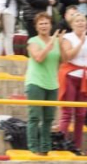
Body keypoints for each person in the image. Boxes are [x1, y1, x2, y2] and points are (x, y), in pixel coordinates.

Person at [58, 13, 87, 150]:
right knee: (67, 112)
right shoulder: (68, 37)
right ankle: (62, 143)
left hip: (85, 76)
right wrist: (81, 42)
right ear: (72, 24)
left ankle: (77, 145)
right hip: (70, 75)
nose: (81, 23)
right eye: (77, 21)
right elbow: (68, 56)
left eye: (83, 21)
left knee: (81, 114)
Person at [25, 13, 62, 155]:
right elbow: (39, 57)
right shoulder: (33, 41)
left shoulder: (56, 42)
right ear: (36, 27)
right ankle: (33, 148)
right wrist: (49, 45)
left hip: (53, 84)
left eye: (46, 23)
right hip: (36, 83)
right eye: (41, 23)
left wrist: (61, 41)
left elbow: (64, 59)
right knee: (34, 117)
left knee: (48, 119)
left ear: (51, 25)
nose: (44, 26)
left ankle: (46, 148)